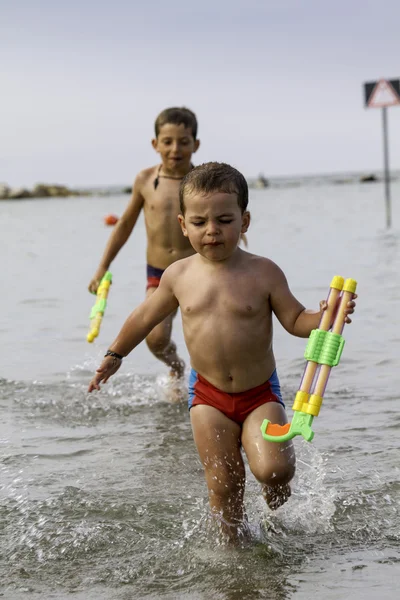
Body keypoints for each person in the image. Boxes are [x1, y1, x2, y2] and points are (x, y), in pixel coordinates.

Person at [88, 162, 356, 541]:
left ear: (244, 221)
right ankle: (234, 560)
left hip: (260, 393)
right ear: (183, 225)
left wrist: (328, 315)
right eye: (199, 223)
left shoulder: (264, 272)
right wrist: (114, 355)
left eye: (224, 220)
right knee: (224, 488)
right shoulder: (178, 275)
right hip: (208, 397)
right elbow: (144, 316)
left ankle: (275, 500)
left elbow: (296, 321)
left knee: (275, 471)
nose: (212, 230)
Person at [88, 107, 200, 379]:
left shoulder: (202, 181)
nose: (175, 148)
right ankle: (176, 367)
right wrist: (103, 266)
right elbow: (124, 225)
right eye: (168, 141)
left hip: (197, 272)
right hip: (159, 275)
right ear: (155, 144)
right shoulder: (145, 180)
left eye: (184, 142)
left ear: (195, 145)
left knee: (208, 336)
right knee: (155, 338)